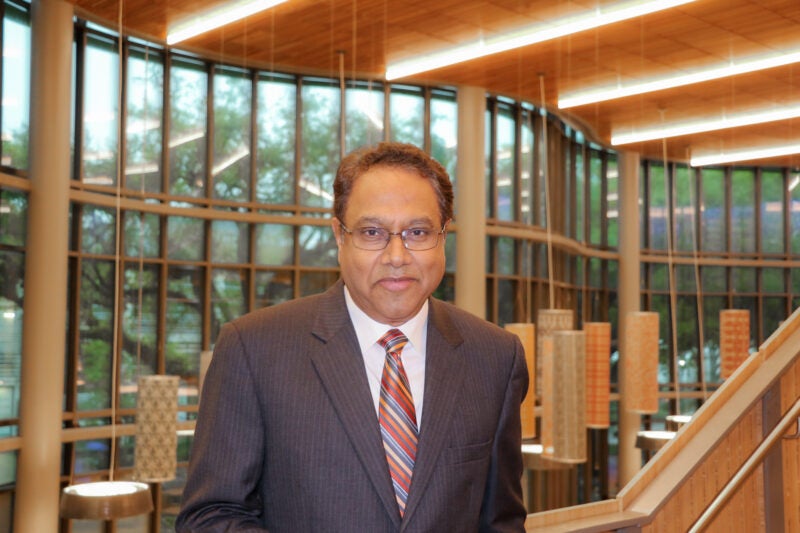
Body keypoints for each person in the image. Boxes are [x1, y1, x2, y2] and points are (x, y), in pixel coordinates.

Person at [176, 142, 529, 532]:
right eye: (373, 232)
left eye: (417, 231)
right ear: (339, 237)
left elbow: (502, 521)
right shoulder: (253, 349)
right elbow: (210, 516)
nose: (397, 255)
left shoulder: (496, 357)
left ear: (443, 236)